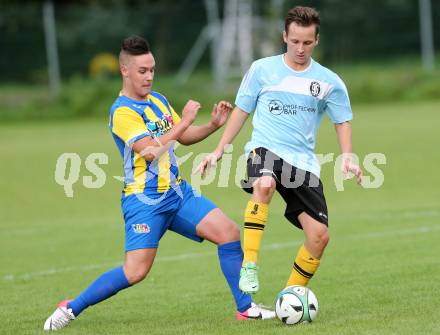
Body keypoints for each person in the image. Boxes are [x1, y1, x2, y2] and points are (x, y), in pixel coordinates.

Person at [43, 35, 275, 331]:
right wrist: (184, 122)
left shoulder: (158, 100)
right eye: (142, 71)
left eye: (152, 70)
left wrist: (212, 125)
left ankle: (246, 308)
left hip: (178, 194)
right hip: (144, 202)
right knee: (135, 272)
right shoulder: (122, 112)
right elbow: (150, 151)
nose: (149, 76)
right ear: (124, 70)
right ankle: (71, 307)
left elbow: (182, 137)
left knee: (228, 232)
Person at [196, 6, 363, 294]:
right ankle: (249, 265)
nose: (300, 48)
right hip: (265, 149)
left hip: (303, 163)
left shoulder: (329, 81)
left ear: (317, 41)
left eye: (307, 42)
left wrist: (347, 155)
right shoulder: (262, 69)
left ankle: (291, 296)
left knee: (319, 237)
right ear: (284, 36)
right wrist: (219, 149)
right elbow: (241, 111)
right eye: (295, 41)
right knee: (265, 183)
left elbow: (342, 120)